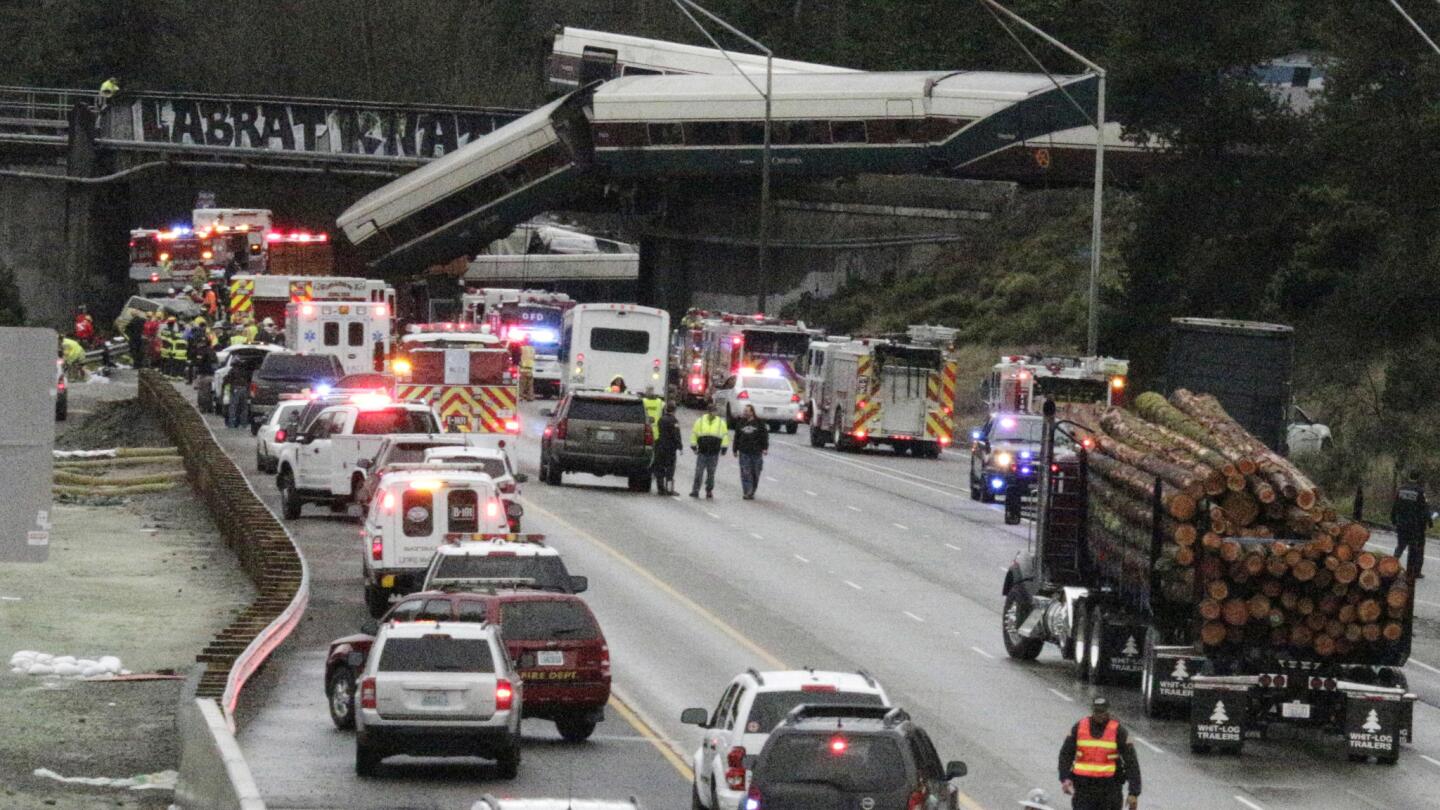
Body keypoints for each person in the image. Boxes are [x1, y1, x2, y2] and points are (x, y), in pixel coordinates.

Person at [1058, 698, 1141, 810]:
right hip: (1084, 789)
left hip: (1110, 790)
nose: (1099, 715)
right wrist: (1065, 778)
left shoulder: (1118, 731)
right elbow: (1066, 754)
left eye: (1102, 712)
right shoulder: (1079, 727)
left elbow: (1131, 762)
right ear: (1092, 711)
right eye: (1096, 712)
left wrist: (1133, 793)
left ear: (1108, 712)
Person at [1391, 470, 1431, 579]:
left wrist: (1393, 519)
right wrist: (1429, 522)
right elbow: (1425, 508)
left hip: (1401, 523)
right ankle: (1412, 572)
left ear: (1409, 476)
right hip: (1414, 525)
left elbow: (1395, 505)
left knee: (1400, 546)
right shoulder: (1419, 491)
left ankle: (1390, 566)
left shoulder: (1401, 489)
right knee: (1413, 549)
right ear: (1418, 478)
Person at [689, 402, 730, 499]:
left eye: (715, 411)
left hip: (714, 453)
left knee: (711, 474)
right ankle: (695, 490)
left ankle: (709, 490)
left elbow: (725, 436)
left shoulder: (721, 423)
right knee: (699, 472)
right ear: (709, 412)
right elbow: (694, 434)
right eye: (713, 411)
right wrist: (694, 446)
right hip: (702, 452)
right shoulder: (700, 421)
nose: (715, 413)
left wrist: (724, 448)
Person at [732, 404, 769, 500]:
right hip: (744, 452)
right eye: (744, 411)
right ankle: (747, 491)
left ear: (752, 412)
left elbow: (764, 436)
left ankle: (752, 490)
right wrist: (735, 449)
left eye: (747, 411)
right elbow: (737, 437)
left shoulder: (759, 423)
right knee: (745, 472)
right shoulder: (741, 423)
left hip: (756, 452)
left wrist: (765, 448)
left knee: (755, 473)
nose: (745, 412)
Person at [653, 402, 682, 495]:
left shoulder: (661, 419)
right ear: (674, 410)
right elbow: (676, 434)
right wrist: (680, 446)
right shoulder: (674, 421)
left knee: (660, 468)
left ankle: (660, 488)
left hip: (660, 446)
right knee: (670, 469)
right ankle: (669, 489)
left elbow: (658, 432)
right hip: (670, 448)